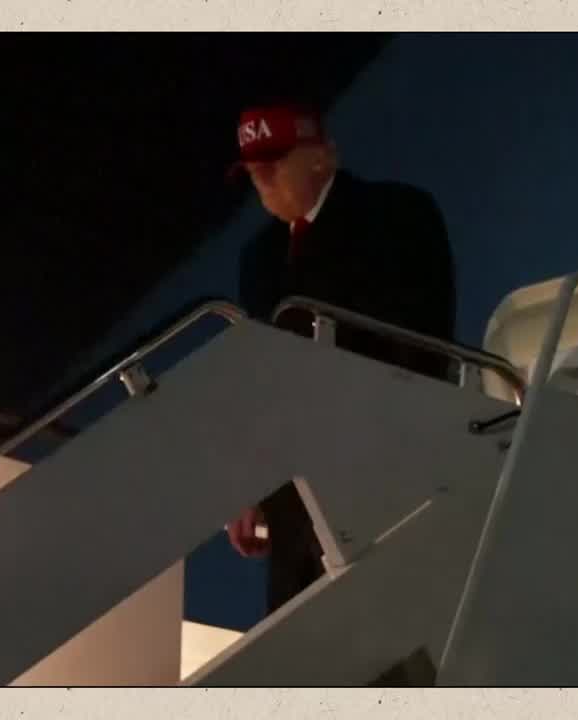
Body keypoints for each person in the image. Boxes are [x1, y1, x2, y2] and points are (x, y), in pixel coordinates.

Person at [225, 102, 456, 614]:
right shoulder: (259, 257)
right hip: (294, 497)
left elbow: (422, 345)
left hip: (380, 473)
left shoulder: (397, 215)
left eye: (274, 160)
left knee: (389, 645)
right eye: (252, 169)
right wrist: (249, 484)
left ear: (322, 156)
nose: (260, 178)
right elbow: (258, 377)